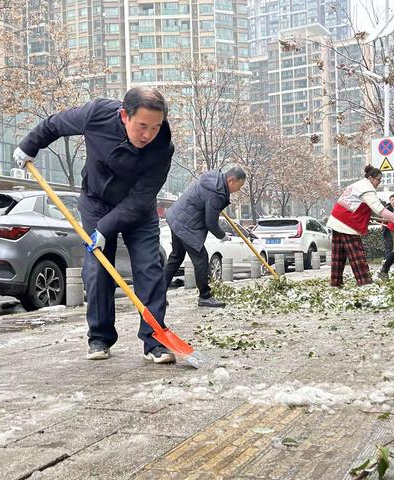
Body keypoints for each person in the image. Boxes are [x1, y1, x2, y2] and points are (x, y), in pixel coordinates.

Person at [13, 87, 176, 364]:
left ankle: (156, 340)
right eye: (142, 126)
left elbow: (139, 199)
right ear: (124, 116)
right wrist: (29, 146)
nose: (148, 135)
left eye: (156, 127)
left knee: (149, 268)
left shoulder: (163, 147)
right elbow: (56, 124)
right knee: (98, 268)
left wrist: (106, 229)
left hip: (139, 210)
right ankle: (99, 337)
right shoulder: (96, 114)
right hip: (96, 201)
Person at [164, 167, 246, 307]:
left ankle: (157, 294)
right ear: (231, 181)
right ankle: (205, 296)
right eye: (239, 186)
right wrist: (223, 235)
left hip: (176, 216)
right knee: (201, 259)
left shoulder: (213, 177)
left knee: (176, 257)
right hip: (187, 225)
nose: (238, 190)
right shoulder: (217, 193)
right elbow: (211, 223)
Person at [326, 165, 394, 287]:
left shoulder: (358, 185)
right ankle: (365, 283)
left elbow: (357, 206)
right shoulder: (366, 189)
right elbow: (380, 210)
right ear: (370, 178)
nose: (379, 183)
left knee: (339, 254)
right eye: (378, 180)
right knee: (356, 254)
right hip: (346, 223)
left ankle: (335, 282)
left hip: (336, 219)